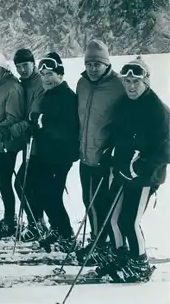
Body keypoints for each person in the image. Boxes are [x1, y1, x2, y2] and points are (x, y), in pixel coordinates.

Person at [95, 56, 170, 283]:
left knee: (129, 221)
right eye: (127, 81)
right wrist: (109, 153)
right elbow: (119, 135)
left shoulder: (157, 109)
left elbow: (165, 149)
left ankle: (139, 265)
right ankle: (121, 258)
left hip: (144, 176)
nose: (131, 86)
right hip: (120, 170)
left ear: (146, 81)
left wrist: (139, 166)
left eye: (136, 81)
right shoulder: (124, 104)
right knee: (113, 218)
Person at [75, 40, 125, 264]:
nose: (93, 68)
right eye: (89, 64)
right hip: (85, 155)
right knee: (88, 201)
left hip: (106, 157)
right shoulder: (81, 84)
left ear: (107, 64)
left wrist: (115, 146)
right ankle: (98, 242)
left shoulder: (120, 85)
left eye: (98, 64)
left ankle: (101, 245)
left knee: (101, 204)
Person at [28, 52, 79, 253]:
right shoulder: (50, 94)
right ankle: (58, 230)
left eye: (50, 74)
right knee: (43, 192)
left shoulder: (67, 96)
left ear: (60, 74)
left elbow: (68, 129)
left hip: (61, 156)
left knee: (52, 195)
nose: (46, 79)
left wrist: (42, 121)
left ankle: (67, 235)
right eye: (43, 75)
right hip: (47, 153)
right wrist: (36, 125)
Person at [0, 53, 26, 238]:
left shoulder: (13, 87)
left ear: (4, 69)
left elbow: (14, 116)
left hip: (8, 141)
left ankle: (10, 221)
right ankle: (9, 219)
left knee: (5, 180)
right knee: (2, 180)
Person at [11, 49, 47, 242]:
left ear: (33, 64)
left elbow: (34, 114)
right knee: (28, 184)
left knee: (23, 183)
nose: (22, 69)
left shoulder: (39, 83)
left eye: (25, 65)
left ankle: (37, 223)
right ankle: (38, 223)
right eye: (18, 66)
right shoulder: (22, 84)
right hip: (28, 142)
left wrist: (19, 127)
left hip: (39, 142)